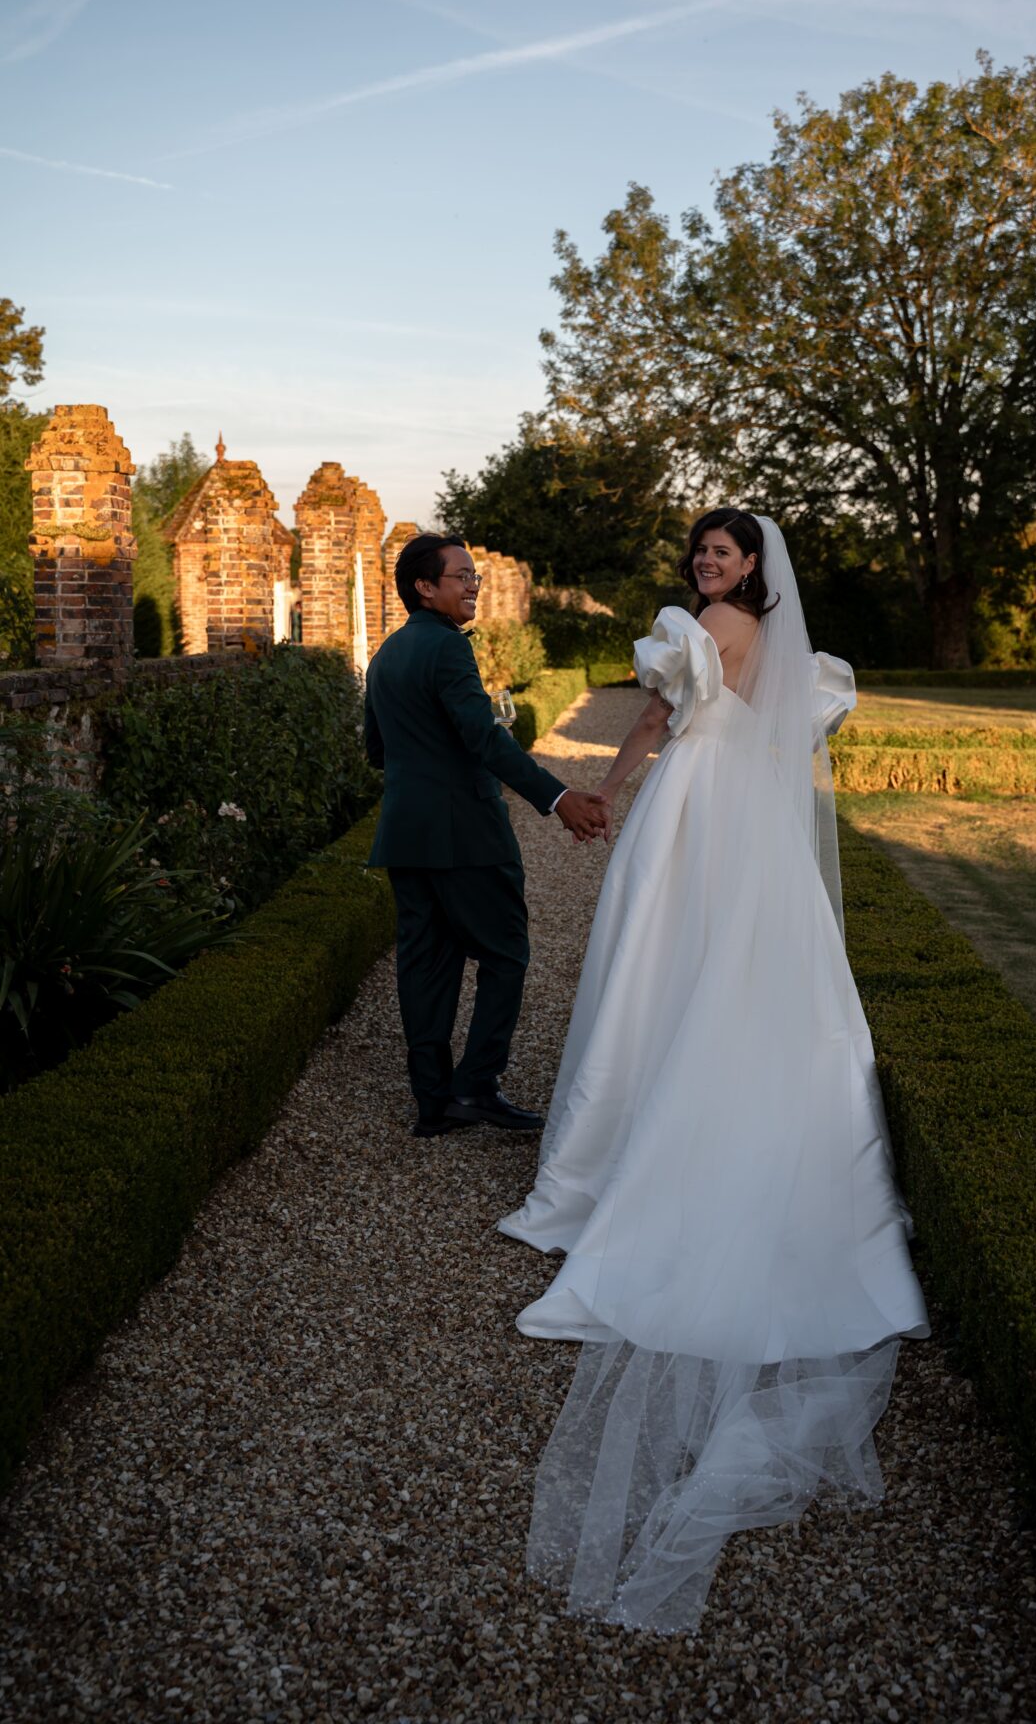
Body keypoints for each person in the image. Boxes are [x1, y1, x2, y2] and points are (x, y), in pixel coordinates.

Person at [499, 508, 930, 1632]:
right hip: (751, 817)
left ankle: (624, 1146)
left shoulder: (702, 628)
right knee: (742, 971)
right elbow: (781, 737)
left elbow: (653, 716)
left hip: (693, 807)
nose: (708, 568)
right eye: (702, 554)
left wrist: (619, 787)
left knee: (652, 963)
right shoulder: (783, 649)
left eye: (724, 555)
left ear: (750, 568)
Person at [364, 534, 607, 1138]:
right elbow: (484, 740)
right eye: (462, 576)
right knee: (505, 952)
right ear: (425, 587)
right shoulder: (447, 650)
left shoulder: (385, 655)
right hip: (466, 833)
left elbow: (376, 750)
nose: (475, 585)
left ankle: (433, 1101)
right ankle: (476, 1085)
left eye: (476, 576)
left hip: (406, 832)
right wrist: (557, 797)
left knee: (426, 964)